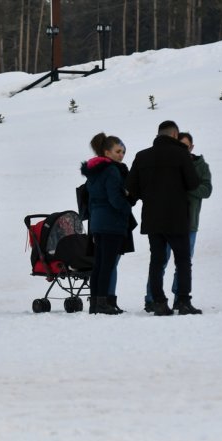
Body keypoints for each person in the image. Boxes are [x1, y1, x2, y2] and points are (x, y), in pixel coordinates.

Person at [126, 121, 200, 316]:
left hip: (152, 218)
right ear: (175, 134)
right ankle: (183, 301)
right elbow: (192, 183)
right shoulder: (181, 154)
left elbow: (131, 188)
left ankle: (158, 302)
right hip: (177, 218)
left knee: (157, 261)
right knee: (182, 260)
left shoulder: (142, 156)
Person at [144, 131, 212, 311]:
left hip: (190, 223)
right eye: (180, 146)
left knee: (183, 262)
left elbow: (206, 190)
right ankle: (152, 298)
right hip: (169, 221)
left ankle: (179, 298)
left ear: (192, 147)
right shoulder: (169, 165)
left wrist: (187, 188)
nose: (183, 150)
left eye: (186, 146)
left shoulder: (200, 165)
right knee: (160, 260)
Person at [80, 133, 133, 314]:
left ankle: (95, 302)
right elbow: (114, 198)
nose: (121, 155)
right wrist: (127, 206)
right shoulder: (111, 170)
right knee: (107, 265)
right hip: (112, 223)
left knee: (99, 265)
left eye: (123, 152)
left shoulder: (94, 171)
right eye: (118, 151)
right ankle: (103, 303)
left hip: (97, 223)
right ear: (106, 151)